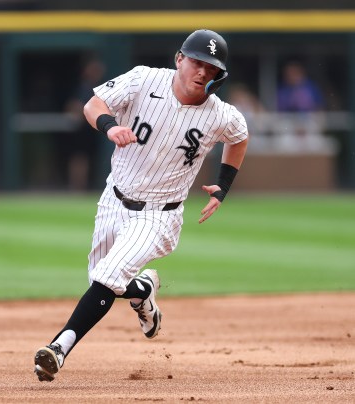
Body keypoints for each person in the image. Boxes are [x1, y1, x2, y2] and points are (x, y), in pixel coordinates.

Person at [33, 29, 249, 382]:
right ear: (179, 59)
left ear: (218, 76)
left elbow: (240, 137)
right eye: (196, 62)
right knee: (101, 281)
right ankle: (144, 292)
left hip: (159, 215)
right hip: (113, 199)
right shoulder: (143, 79)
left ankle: (58, 348)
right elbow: (94, 105)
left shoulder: (220, 114)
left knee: (105, 279)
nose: (202, 73)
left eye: (211, 69)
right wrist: (109, 127)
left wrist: (222, 186)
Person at [61, 58, 106, 190]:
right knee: (79, 158)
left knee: (86, 158)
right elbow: (73, 106)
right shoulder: (83, 87)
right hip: (81, 129)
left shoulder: (99, 86)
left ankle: (82, 185)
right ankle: (77, 185)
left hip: (93, 129)